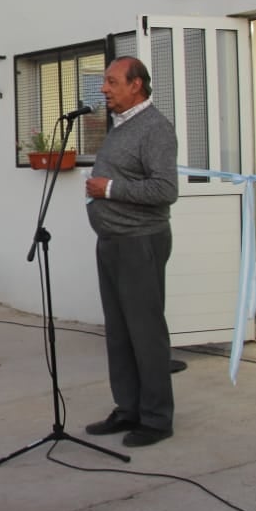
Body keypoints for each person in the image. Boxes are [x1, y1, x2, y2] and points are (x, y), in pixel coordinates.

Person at [83, 56, 179, 448]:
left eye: (111, 81)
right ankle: (128, 409)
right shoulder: (121, 125)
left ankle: (157, 419)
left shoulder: (155, 128)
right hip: (112, 242)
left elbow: (164, 190)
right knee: (119, 334)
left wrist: (107, 190)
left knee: (145, 333)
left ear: (136, 84)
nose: (103, 89)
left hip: (141, 243)